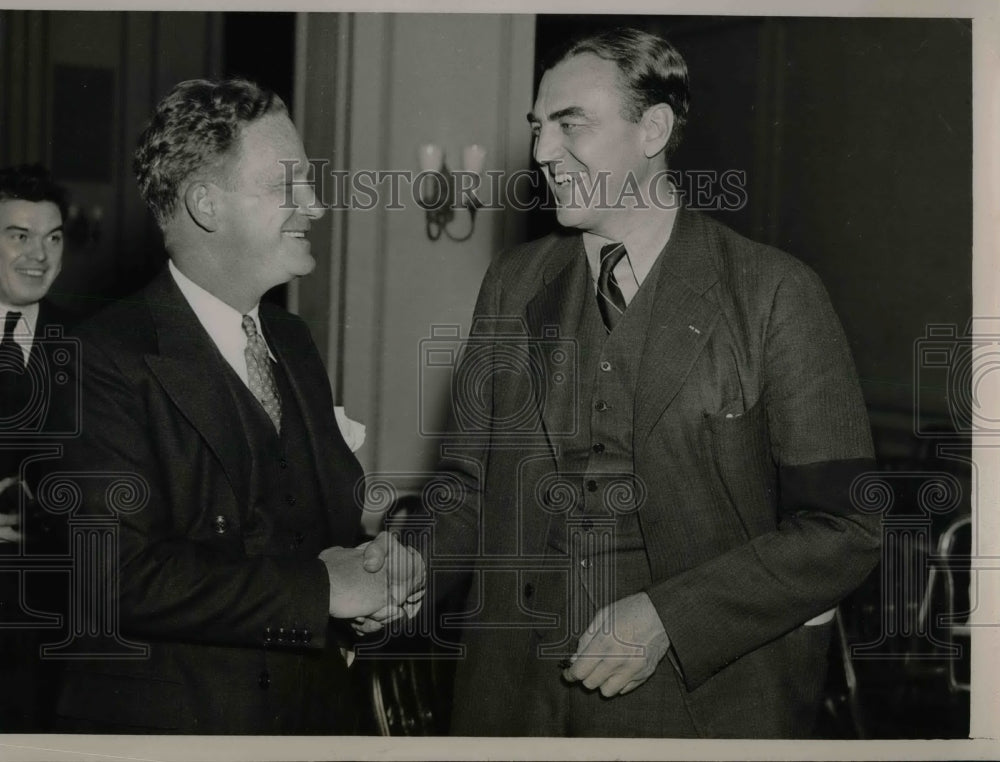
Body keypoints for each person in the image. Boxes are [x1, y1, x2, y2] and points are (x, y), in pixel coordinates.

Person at [424, 28, 881, 737]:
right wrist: (401, 561)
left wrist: (672, 615)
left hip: (703, 705)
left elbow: (846, 528)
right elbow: (465, 487)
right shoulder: (514, 284)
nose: (543, 152)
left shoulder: (773, 294)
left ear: (654, 129)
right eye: (538, 128)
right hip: (512, 703)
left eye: (571, 124)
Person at [52, 78, 423, 734]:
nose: (315, 205)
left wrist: (376, 564)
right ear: (204, 204)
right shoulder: (99, 359)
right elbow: (111, 577)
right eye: (288, 186)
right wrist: (323, 590)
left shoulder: (293, 341)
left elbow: (315, 526)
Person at [0, 164, 71, 731]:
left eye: (52, 237)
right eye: (18, 236)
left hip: (51, 621)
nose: (38, 256)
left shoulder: (93, 348)